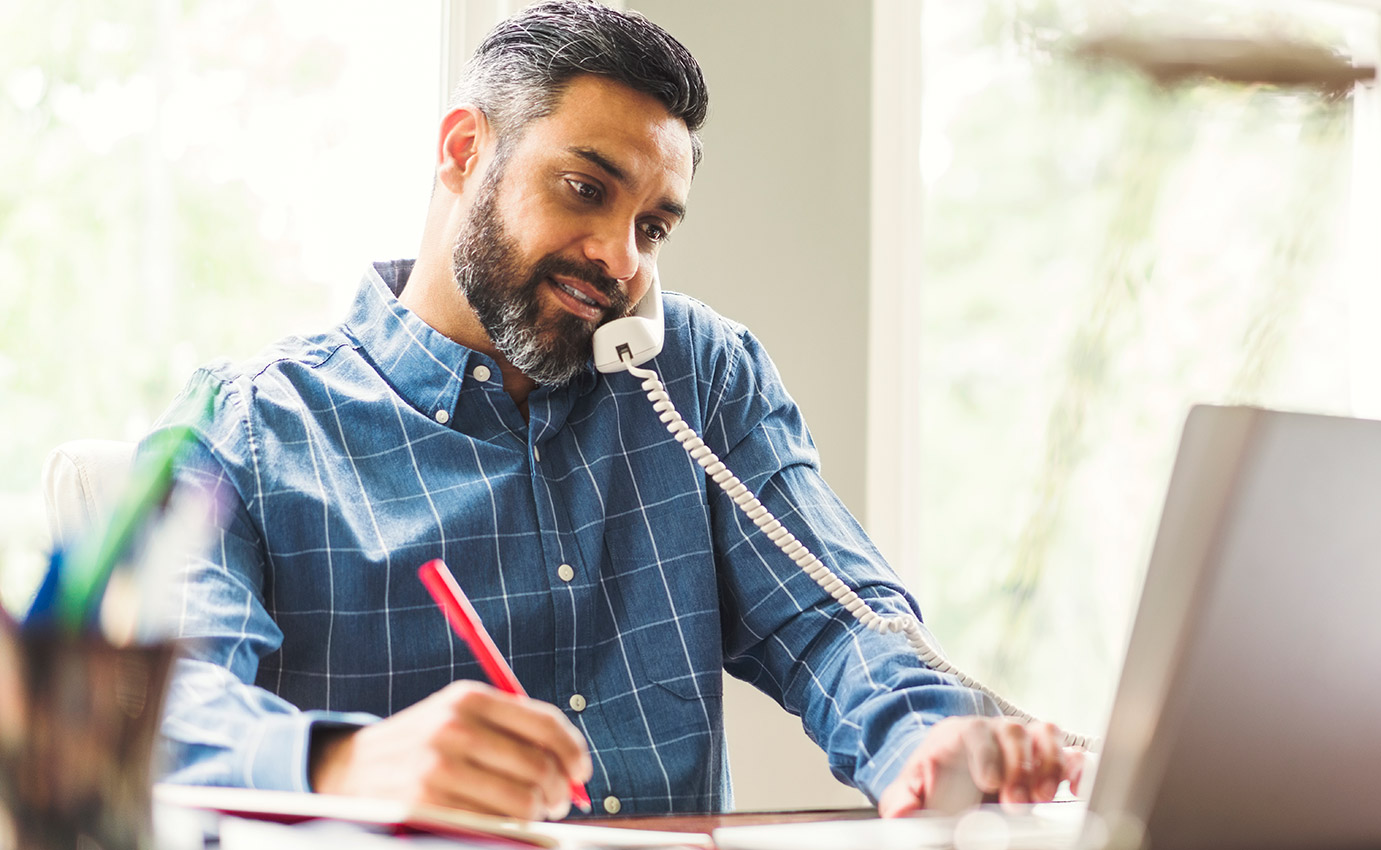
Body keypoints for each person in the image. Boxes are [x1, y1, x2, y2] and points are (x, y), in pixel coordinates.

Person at [155, 0, 1082, 821]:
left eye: (652, 225)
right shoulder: (248, 428)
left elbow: (835, 619)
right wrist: (347, 761)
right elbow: (158, 704)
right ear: (463, 151)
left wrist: (926, 740)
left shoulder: (698, 378)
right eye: (585, 188)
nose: (618, 258)